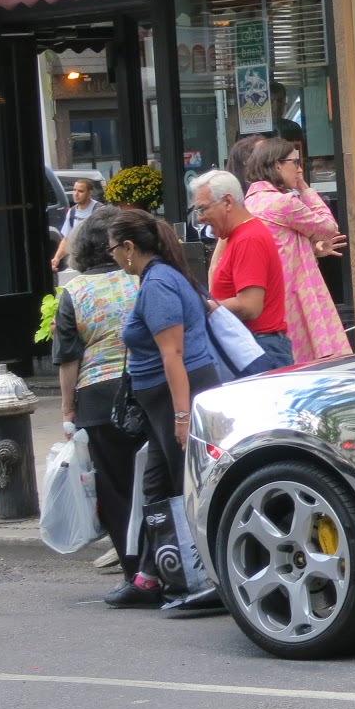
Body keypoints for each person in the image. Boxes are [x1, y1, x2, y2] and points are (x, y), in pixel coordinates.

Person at [105, 209, 221, 608]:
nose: (112, 256)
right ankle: (152, 576)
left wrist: (182, 415)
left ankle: (207, 580)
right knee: (158, 485)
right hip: (163, 400)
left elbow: (172, 355)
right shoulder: (164, 277)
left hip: (176, 396)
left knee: (184, 486)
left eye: (113, 249)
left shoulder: (158, 284)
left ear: (129, 247)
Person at [50, 205, 142, 593]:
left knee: (115, 487)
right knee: (153, 484)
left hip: (98, 399)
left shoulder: (73, 292)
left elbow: (69, 359)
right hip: (145, 390)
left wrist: (68, 408)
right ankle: (167, 563)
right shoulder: (141, 280)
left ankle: (133, 571)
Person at [242, 139, 351, 365]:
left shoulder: (250, 202)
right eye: (295, 162)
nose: (300, 169)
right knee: (313, 368)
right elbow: (329, 227)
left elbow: (281, 247)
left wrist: (310, 249)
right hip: (296, 297)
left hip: (270, 299)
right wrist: (303, 187)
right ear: (277, 166)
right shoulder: (284, 203)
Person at [192, 169, 292, 371]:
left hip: (258, 348)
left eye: (203, 209)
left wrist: (203, 306)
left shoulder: (248, 239)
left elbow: (250, 306)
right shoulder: (239, 235)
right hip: (256, 346)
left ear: (227, 202)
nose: (200, 218)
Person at [51, 178, 100, 271]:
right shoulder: (72, 212)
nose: (76, 194)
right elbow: (66, 239)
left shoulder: (99, 210)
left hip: (97, 262)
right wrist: (57, 258)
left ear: (90, 193)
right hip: (81, 262)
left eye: (81, 191)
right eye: (74, 190)